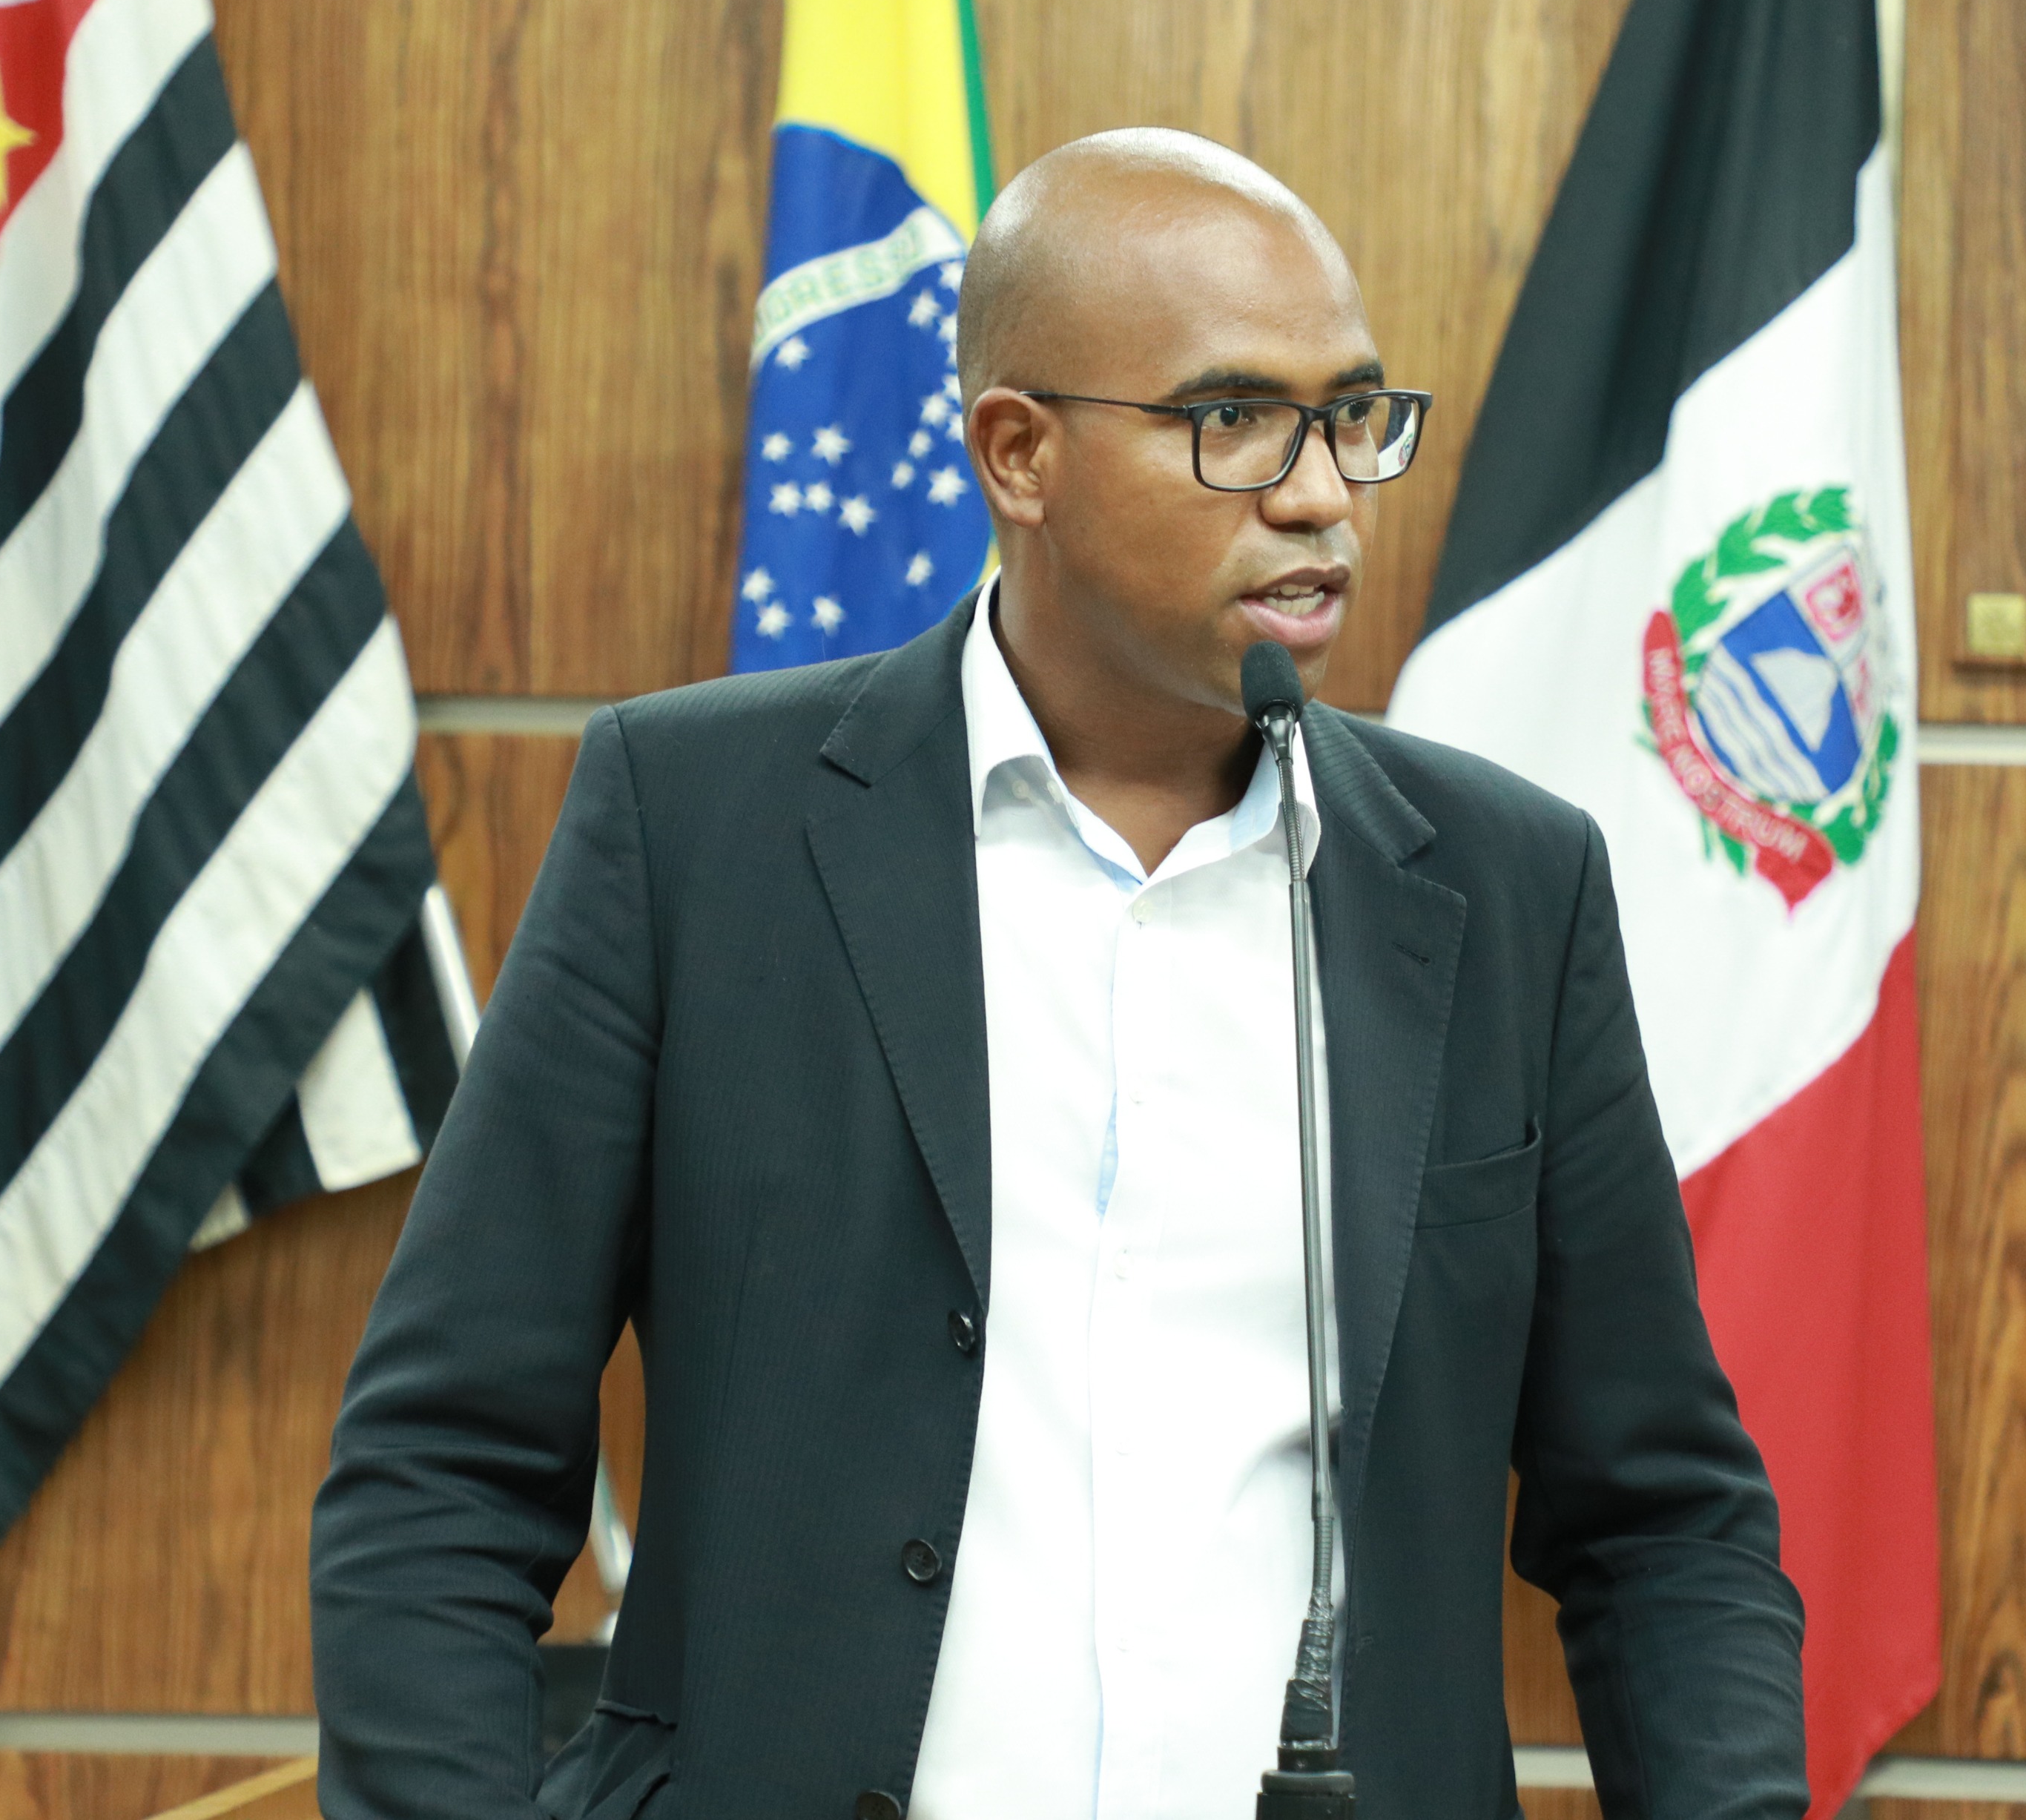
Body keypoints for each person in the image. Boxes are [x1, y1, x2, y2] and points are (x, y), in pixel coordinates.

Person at [311, 129, 1804, 1820]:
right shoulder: (694, 827)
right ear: (1018, 454)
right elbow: (444, 1467)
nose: (1319, 492)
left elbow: (1664, 1523)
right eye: (1232, 419)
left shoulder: (1507, 886)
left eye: (1350, 417)